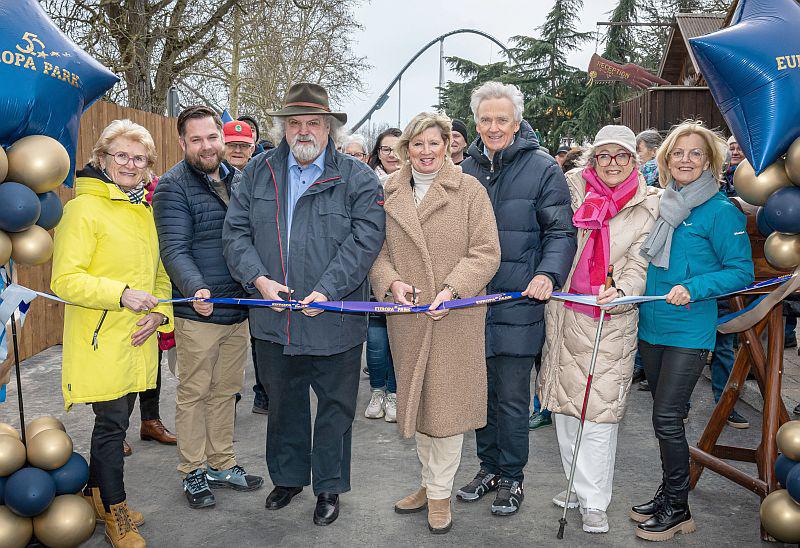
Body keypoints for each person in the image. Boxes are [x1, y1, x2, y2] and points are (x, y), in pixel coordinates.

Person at [223, 82, 385, 526]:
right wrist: (259, 281)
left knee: (335, 409)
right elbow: (235, 234)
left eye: (314, 122)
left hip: (333, 319)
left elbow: (365, 239)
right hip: (273, 319)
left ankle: (329, 487)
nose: (304, 131)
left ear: (330, 128)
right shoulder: (257, 173)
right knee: (284, 404)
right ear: (283, 128)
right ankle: (289, 478)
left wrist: (329, 290)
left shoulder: (357, 177)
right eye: (295, 123)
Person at [370, 112, 501, 534]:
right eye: (417, 144)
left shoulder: (469, 190)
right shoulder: (388, 191)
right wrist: (390, 283)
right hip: (408, 318)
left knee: (446, 409)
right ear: (406, 148)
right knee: (420, 404)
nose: (426, 152)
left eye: (434, 143)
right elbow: (375, 251)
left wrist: (453, 288)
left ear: (449, 145)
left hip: (455, 317)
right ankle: (430, 483)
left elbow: (486, 251)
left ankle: (441, 493)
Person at [456, 81, 577, 516]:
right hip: (469, 305)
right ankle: (487, 468)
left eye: (501, 119)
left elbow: (561, 232)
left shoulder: (544, 168)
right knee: (479, 394)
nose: (492, 127)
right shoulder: (463, 170)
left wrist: (548, 274)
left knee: (510, 398)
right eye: (485, 119)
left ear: (517, 122)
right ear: (476, 122)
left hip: (517, 301)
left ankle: (512, 477)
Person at [52, 119, 174, 547]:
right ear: (101, 159)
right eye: (120, 155)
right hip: (101, 338)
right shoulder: (81, 210)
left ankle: (94, 496)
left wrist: (160, 314)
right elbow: (65, 280)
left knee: (114, 425)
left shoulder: (142, 209)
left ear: (148, 167)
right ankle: (117, 512)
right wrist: (121, 294)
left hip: (138, 337)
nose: (129, 164)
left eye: (139, 159)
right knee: (112, 425)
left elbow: (159, 275)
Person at [634, 121, 753, 541]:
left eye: (695, 153)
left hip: (689, 329)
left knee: (668, 417)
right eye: (678, 153)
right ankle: (669, 490)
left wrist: (695, 287)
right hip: (651, 323)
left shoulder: (721, 211)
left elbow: (741, 271)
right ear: (666, 160)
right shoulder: (661, 203)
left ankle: (679, 506)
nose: (685, 159)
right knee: (660, 416)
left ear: (710, 161)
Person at [540, 125, 659, 534]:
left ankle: (595, 501)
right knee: (566, 409)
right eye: (604, 155)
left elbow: (642, 259)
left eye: (621, 155)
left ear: (635, 160)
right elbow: (555, 238)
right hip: (565, 310)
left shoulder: (649, 204)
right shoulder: (571, 189)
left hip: (611, 316)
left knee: (600, 415)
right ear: (592, 159)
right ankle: (574, 482)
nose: (612, 163)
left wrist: (624, 289)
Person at [153, 105, 263, 510]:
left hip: (238, 309)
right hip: (199, 312)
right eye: (195, 139)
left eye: (211, 137)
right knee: (194, 393)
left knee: (226, 391)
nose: (205, 146)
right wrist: (196, 289)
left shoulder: (241, 180)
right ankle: (193, 470)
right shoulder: (172, 186)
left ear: (223, 137)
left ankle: (221, 462)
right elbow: (174, 249)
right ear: (182, 143)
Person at [364, 127, 402, 420]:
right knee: (376, 343)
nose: (391, 154)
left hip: (405, 272)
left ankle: (393, 393)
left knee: (398, 340)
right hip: (372, 270)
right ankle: (378, 390)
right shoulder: (365, 182)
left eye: (396, 148)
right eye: (385, 149)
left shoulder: (415, 184)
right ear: (377, 153)